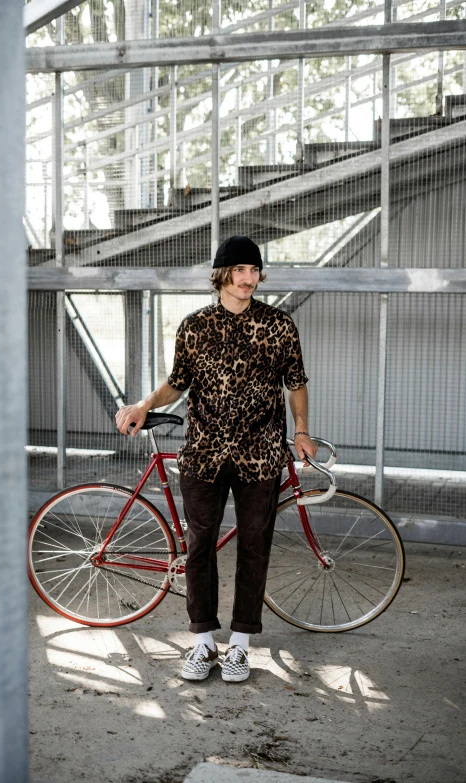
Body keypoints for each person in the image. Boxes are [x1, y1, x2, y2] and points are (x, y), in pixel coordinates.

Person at [115, 235, 317, 683]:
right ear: (222, 275)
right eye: (240, 270)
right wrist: (146, 404)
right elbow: (177, 383)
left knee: (254, 546)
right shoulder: (194, 326)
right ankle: (203, 641)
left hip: (261, 455)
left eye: (254, 271)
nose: (248, 279)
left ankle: (241, 645)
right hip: (204, 453)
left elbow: (296, 382)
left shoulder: (280, 325)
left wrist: (300, 430)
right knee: (199, 546)